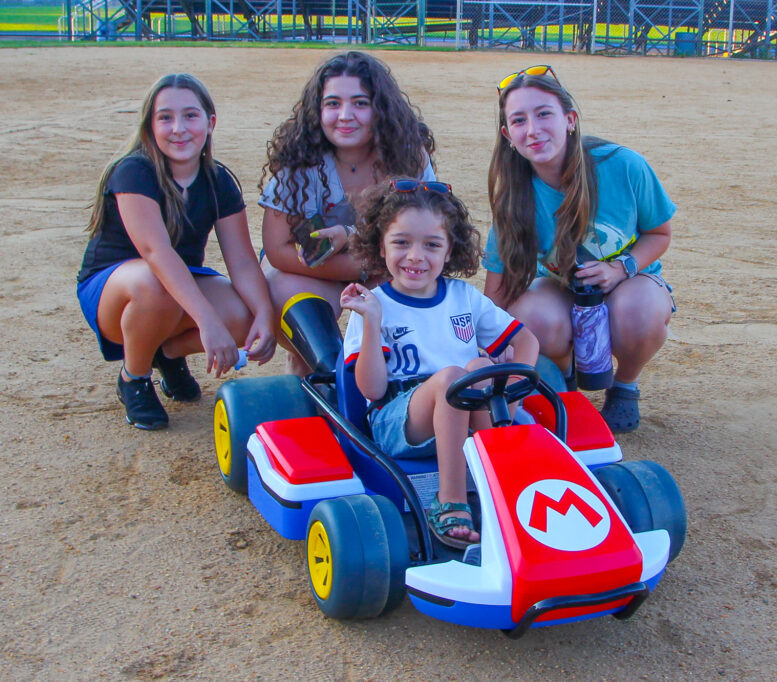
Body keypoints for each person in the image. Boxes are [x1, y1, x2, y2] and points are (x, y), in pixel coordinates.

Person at [340, 179, 539, 549]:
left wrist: (511, 398)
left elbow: (526, 341)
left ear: (449, 251)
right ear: (381, 246)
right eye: (402, 243)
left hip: (468, 411)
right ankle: (451, 498)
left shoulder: (463, 296)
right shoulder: (374, 305)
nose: (416, 256)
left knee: (478, 366)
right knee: (452, 379)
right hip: (397, 421)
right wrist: (371, 322)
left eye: (431, 245)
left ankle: (504, 478)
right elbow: (371, 389)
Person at [77, 74, 276, 431]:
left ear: (210, 123)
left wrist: (264, 314)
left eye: (190, 116)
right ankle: (134, 376)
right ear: (150, 127)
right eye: (165, 117)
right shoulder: (134, 171)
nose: (178, 128)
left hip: (172, 285)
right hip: (116, 290)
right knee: (155, 283)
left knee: (244, 313)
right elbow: (155, 252)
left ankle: (166, 354)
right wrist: (208, 322)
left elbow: (243, 261)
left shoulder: (219, 180)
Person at [484, 65, 676, 433]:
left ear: (570, 120)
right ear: (508, 135)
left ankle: (625, 385)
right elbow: (498, 291)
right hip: (560, 291)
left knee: (640, 311)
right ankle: (564, 375)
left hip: (630, 282)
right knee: (529, 315)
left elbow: (659, 234)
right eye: (519, 120)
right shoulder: (514, 194)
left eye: (544, 114)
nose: (533, 129)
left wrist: (622, 268)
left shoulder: (623, 165)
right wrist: (488, 346)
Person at [259, 51, 437, 375]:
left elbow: (428, 233)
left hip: (388, 267)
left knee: (406, 308)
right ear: (317, 110)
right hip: (311, 270)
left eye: (360, 103)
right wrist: (362, 267)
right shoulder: (298, 161)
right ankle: (320, 376)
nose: (345, 115)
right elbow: (277, 251)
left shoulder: (408, 156)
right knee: (296, 311)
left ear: (381, 108)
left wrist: (363, 257)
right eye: (332, 103)